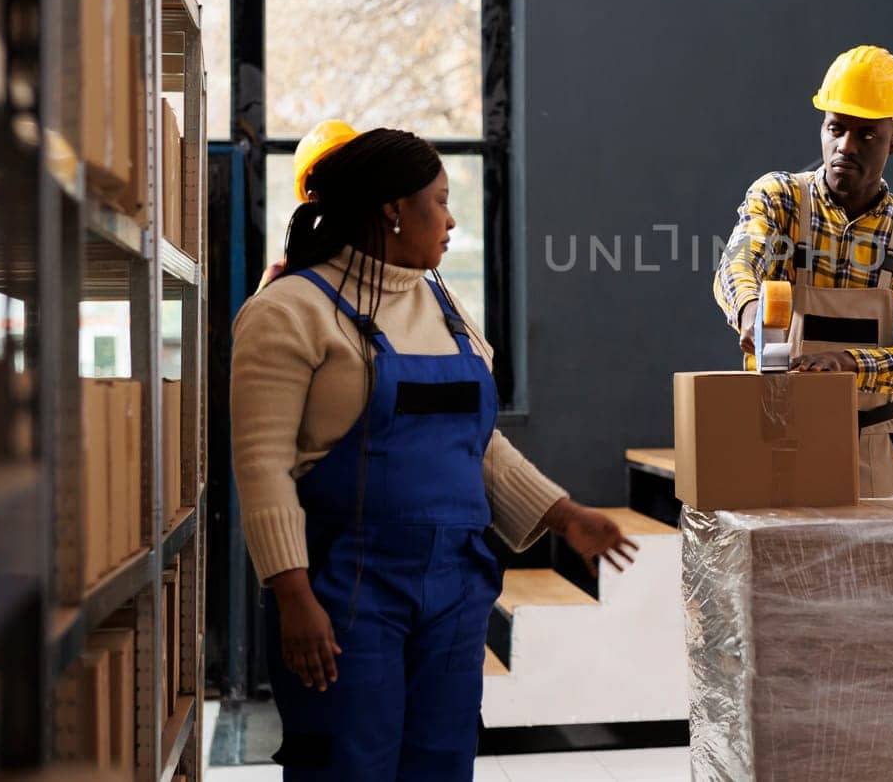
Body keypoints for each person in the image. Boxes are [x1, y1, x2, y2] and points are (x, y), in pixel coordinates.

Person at [231, 122, 636, 780]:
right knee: (350, 761)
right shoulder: (289, 310)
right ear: (394, 208)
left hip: (454, 583)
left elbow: (480, 443)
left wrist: (565, 515)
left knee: (443, 759)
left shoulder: (445, 307)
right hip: (348, 587)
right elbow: (261, 465)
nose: (449, 220)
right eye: (440, 200)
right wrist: (291, 592)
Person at [713, 45, 893, 496]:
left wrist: (849, 366)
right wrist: (748, 308)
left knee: (880, 567)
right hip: (774, 441)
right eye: (836, 128)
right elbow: (740, 261)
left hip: (874, 452)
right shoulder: (780, 199)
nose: (846, 146)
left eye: (866, 134)